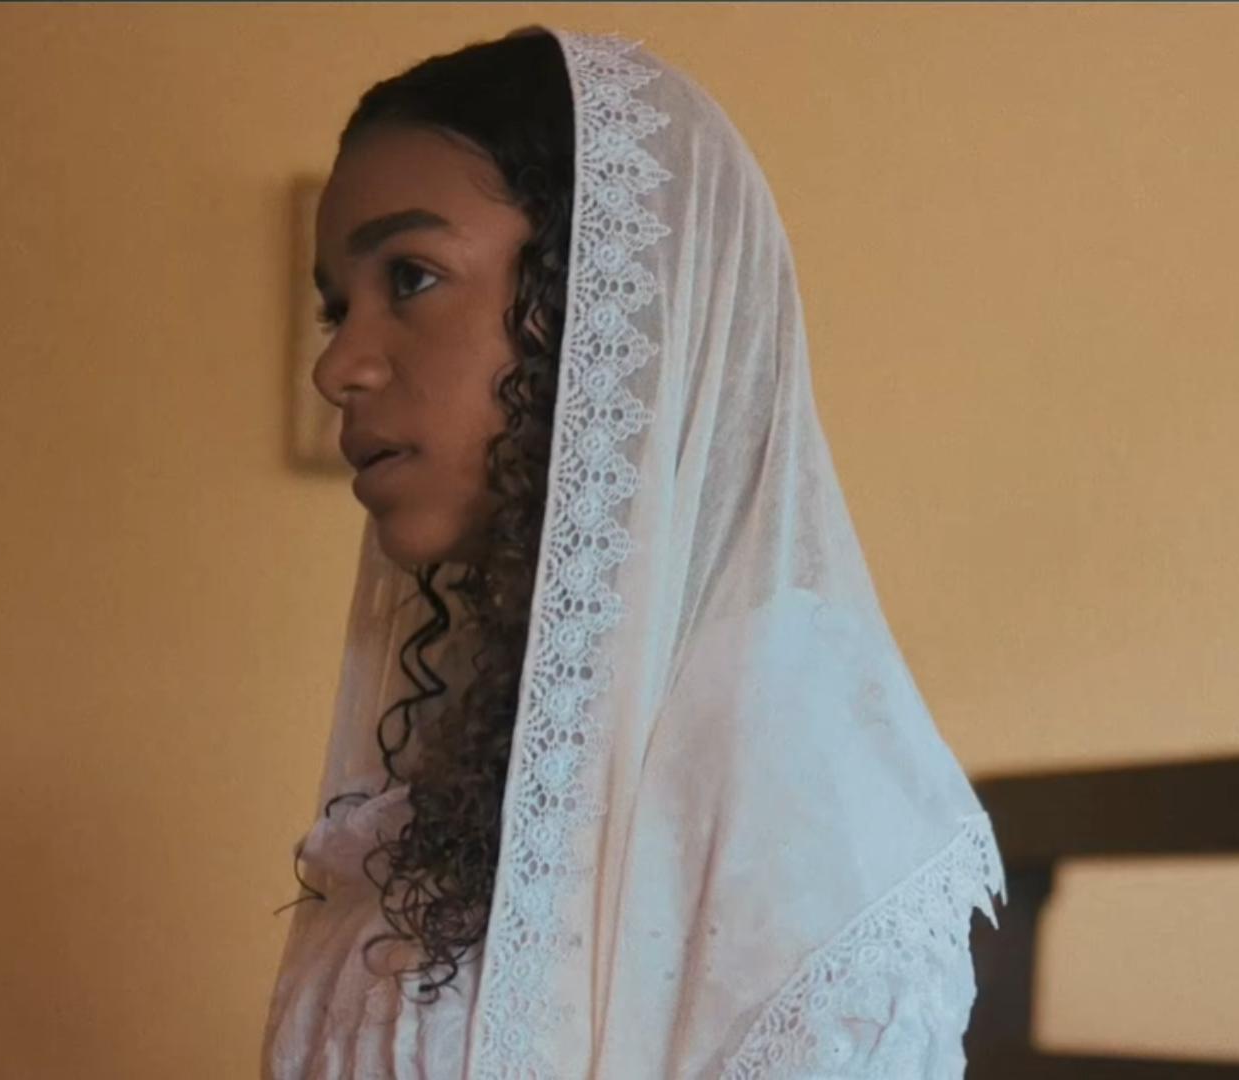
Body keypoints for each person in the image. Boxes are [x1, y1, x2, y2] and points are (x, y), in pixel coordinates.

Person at [263, 24, 1006, 1079]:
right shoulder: (476, 743)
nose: (338, 366)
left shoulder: (778, 729)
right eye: (338, 308)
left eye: (413, 278)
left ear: (599, 298)